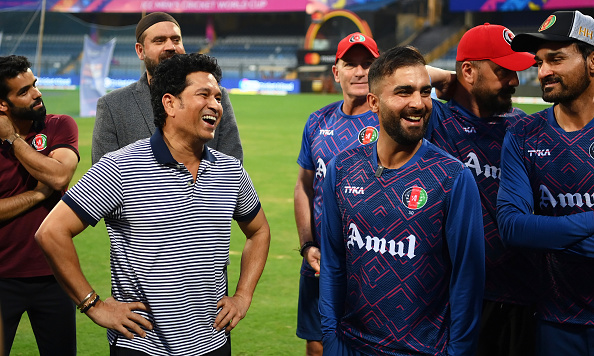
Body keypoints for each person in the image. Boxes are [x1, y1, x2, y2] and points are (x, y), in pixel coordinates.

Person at [35, 53, 270, 356]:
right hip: (141, 345)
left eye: (218, 97)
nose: (216, 105)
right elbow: (51, 232)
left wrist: (243, 295)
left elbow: (259, 230)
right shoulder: (121, 167)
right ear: (170, 103)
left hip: (213, 342)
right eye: (203, 95)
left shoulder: (230, 170)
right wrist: (92, 304)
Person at [319, 45, 485, 355]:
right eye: (404, 92)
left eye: (425, 92)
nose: (418, 103)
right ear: (374, 103)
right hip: (351, 345)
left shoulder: (452, 179)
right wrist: (331, 336)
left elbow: (468, 281)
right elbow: (333, 263)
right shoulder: (341, 169)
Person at [424, 23, 541, 356]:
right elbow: (392, 71)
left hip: (523, 296)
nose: (515, 82)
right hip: (455, 297)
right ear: (469, 71)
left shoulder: (524, 128)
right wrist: (447, 78)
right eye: (504, 71)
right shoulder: (436, 121)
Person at [496, 10, 594, 356]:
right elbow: (512, 227)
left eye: (556, 59)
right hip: (555, 322)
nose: (543, 72)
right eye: (539, 62)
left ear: (592, 60)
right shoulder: (523, 134)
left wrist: (550, 233)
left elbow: (533, 229)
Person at [294, 32, 379, 356]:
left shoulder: (390, 120)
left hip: (374, 263)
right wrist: (307, 245)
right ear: (336, 72)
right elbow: (303, 185)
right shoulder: (317, 121)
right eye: (351, 64)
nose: (359, 72)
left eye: (368, 64)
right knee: (316, 346)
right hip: (319, 261)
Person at [0, 55, 79, 355]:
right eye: (24, 91)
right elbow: (48, 186)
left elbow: (59, 177)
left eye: (34, 85)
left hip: (54, 275)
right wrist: (36, 195)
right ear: (2, 105)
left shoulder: (59, 125)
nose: (37, 94)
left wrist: (12, 140)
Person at [92, 11, 243, 164]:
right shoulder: (112, 105)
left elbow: (232, 165)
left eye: (176, 40)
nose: (170, 47)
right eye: (159, 41)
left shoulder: (215, 97)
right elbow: (103, 177)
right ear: (140, 50)